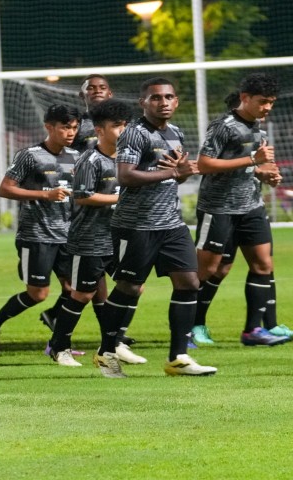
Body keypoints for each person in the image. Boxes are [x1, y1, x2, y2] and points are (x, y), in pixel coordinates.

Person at [94, 77, 215, 378]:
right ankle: (106, 349)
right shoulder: (134, 134)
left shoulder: (175, 133)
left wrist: (181, 173)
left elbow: (172, 175)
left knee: (190, 282)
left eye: (169, 97)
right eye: (156, 98)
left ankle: (178, 358)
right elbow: (125, 176)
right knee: (129, 288)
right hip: (135, 226)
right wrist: (174, 172)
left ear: (176, 101)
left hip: (171, 224)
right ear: (143, 103)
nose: (163, 102)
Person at [193, 73, 293, 346]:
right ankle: (191, 325)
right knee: (209, 270)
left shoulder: (259, 130)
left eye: (271, 102)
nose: (267, 108)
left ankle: (253, 331)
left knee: (264, 264)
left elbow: (249, 168)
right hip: (218, 207)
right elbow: (204, 164)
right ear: (245, 98)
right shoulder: (223, 127)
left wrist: (265, 174)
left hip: (251, 206)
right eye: (262, 101)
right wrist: (254, 159)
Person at [41, 99, 146, 369]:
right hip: (89, 238)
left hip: (120, 237)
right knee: (81, 295)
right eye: (116, 126)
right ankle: (59, 346)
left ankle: (114, 343)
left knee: (133, 286)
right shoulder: (91, 159)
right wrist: (118, 199)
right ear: (99, 130)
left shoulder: (131, 159)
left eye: (126, 125)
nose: (123, 131)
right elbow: (83, 196)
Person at [0, 103, 81, 355]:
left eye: (74, 128)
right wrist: (45, 194)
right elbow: (5, 189)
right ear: (49, 127)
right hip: (37, 234)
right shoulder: (30, 155)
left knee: (76, 291)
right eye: (65, 127)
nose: (70, 133)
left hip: (69, 235)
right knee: (38, 294)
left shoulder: (76, 157)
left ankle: (56, 344)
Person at [75, 74, 114, 151]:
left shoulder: (124, 123)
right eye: (91, 88)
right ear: (82, 95)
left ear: (110, 94)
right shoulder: (75, 123)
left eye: (102, 88)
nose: (97, 91)